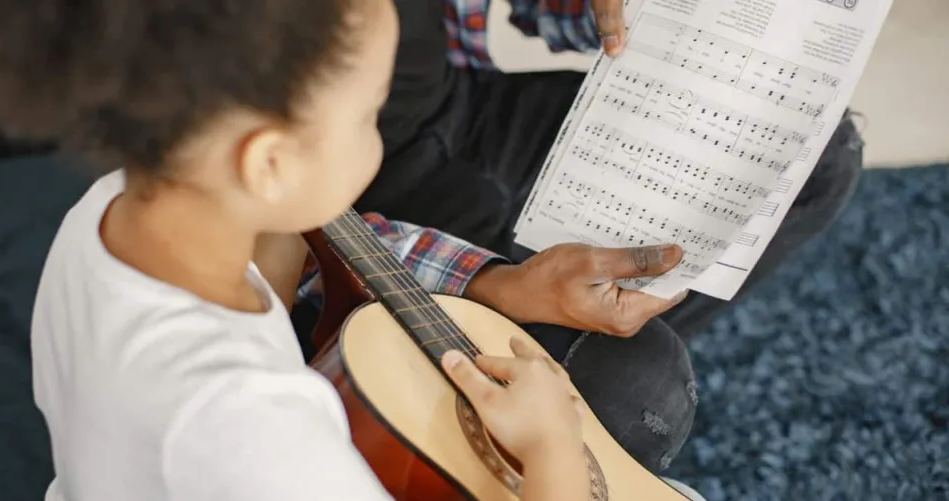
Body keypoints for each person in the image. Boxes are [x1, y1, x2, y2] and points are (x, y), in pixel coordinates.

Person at [0, 0, 711, 501]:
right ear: (268, 162)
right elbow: (254, 436)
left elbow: (301, 247)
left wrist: (497, 286)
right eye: (370, 116)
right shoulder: (248, 428)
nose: (379, 137)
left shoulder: (113, 206)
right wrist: (553, 458)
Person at [357, 0, 865, 342]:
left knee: (814, 155)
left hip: (463, 98)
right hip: (363, 195)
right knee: (641, 391)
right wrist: (493, 285)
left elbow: (540, 10)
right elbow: (291, 249)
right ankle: (590, 369)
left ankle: (597, 352)